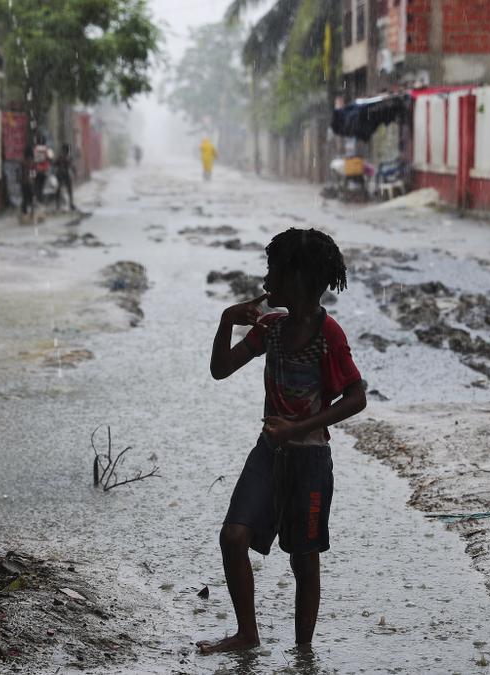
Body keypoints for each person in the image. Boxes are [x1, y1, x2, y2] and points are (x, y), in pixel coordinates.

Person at [198, 228, 368, 654]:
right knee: (233, 537)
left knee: (303, 560)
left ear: (297, 277)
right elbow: (221, 370)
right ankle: (246, 634)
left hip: (309, 461)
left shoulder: (329, 336)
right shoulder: (271, 328)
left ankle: (303, 651)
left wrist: (295, 428)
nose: (265, 280)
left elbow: (357, 397)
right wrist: (225, 321)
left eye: (272, 269)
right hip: (268, 454)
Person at [55, 143, 76, 212]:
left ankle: (59, 205)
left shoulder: (63, 157)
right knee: (67, 190)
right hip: (64, 175)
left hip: (63, 174)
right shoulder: (66, 157)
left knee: (60, 189)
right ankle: (70, 204)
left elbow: (55, 163)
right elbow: (72, 166)